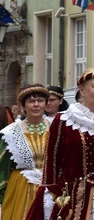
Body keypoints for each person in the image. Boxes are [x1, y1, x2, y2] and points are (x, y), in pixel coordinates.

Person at [28, 67, 94, 220]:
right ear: (82, 89)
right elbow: (52, 162)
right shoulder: (64, 120)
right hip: (73, 195)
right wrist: (52, 193)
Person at [0, 84, 52, 219]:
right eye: (31, 101)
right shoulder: (11, 133)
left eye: (40, 101)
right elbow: (3, 168)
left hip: (50, 189)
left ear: (46, 104)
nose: (36, 105)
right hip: (20, 190)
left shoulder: (56, 127)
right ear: (23, 106)